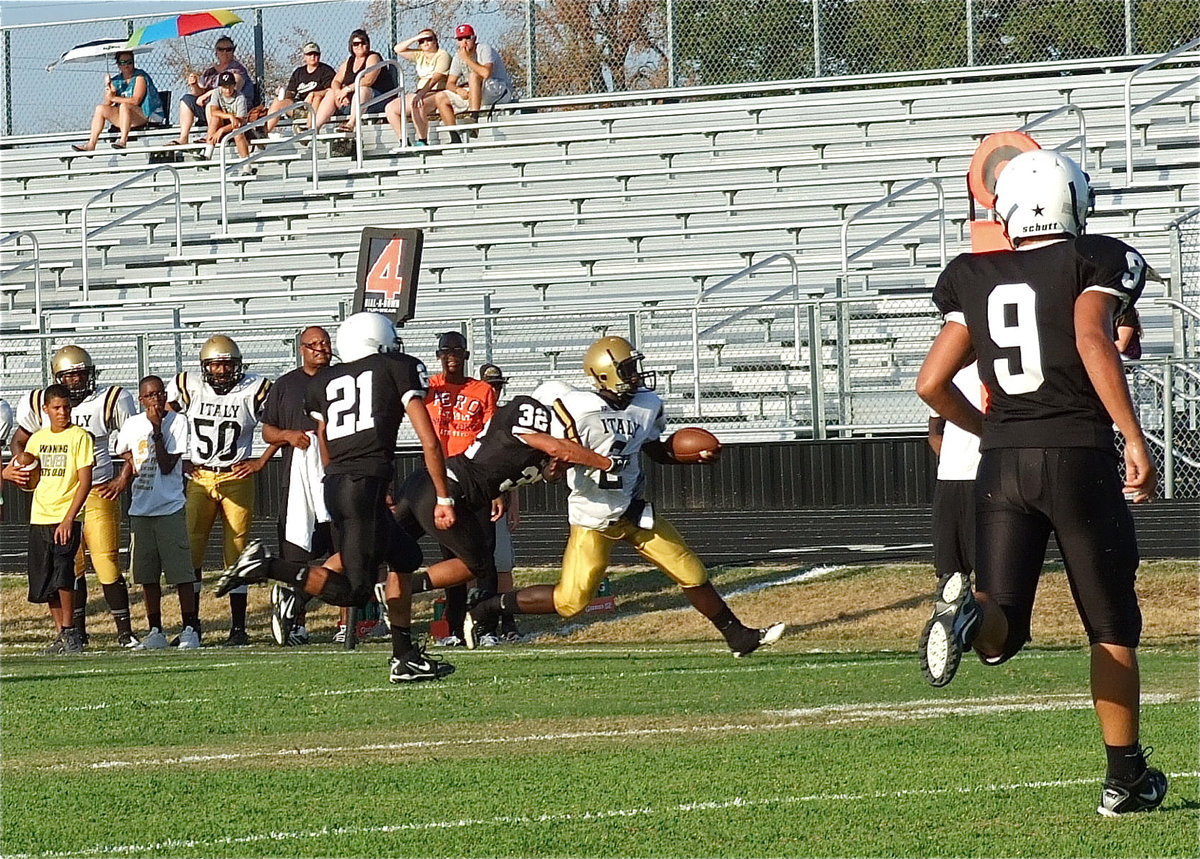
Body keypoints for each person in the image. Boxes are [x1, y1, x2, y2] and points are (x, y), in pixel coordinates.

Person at [915, 149, 1167, 816]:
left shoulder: (973, 273)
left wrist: (986, 428)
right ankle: (1124, 776)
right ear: (1075, 203)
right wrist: (1134, 439)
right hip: (1077, 455)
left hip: (1001, 465)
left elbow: (930, 383)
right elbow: (1090, 338)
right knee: (1111, 623)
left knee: (1002, 630)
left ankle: (968, 615)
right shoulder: (1094, 258)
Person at [464, 337, 786, 656]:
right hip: (592, 518)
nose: (636, 375)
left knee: (691, 571)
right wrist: (551, 471)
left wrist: (689, 455)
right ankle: (488, 607)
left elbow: (655, 449)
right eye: (628, 368)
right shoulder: (576, 408)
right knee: (570, 602)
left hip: (632, 510)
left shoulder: (645, 405)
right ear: (604, 373)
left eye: (634, 367)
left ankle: (737, 636)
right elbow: (548, 463)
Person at [214, 312, 458, 684]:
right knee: (355, 592)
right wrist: (443, 496)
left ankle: (405, 655)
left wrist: (339, 476)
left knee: (406, 556)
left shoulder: (325, 380)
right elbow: (428, 440)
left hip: (340, 482)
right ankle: (267, 566)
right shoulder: (396, 366)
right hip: (363, 483)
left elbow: (324, 437)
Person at [11, 346, 138, 648]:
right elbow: (19, 441)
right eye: (70, 375)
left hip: (96, 490)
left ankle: (124, 633)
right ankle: (73, 633)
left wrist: (123, 478)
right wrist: (22, 469)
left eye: (81, 374)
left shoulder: (108, 400)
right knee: (71, 568)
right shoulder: (40, 408)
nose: (77, 380)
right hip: (54, 498)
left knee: (107, 564)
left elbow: (133, 441)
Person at [166, 334, 274, 646]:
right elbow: (166, 417)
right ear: (205, 367)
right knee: (191, 552)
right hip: (200, 477)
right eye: (215, 365)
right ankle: (191, 626)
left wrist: (260, 462)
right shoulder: (189, 385)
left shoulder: (255, 389)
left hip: (236, 476)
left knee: (236, 552)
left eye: (227, 366)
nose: (222, 372)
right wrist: (181, 460)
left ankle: (238, 628)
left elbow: (277, 425)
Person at [3, 385, 93, 655]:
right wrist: (16, 476)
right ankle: (61, 636)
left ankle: (71, 630)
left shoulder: (79, 437)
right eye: (56, 408)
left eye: (66, 407)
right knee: (46, 581)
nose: (62, 412)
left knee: (64, 574)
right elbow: (25, 476)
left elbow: (85, 481)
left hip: (65, 515)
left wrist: (69, 518)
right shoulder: (37, 440)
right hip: (40, 515)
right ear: (45, 410)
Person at [260, 326, 334, 646]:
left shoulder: (342, 379)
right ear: (301, 349)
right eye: (313, 344)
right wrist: (289, 436)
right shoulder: (286, 385)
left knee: (344, 547)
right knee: (296, 553)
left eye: (325, 343)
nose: (320, 348)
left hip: (337, 473)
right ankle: (297, 624)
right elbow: (267, 431)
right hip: (297, 477)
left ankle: (348, 622)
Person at [115, 376, 200, 650]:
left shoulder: (177, 422)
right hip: (141, 508)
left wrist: (158, 429)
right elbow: (122, 450)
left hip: (169, 506)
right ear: (141, 400)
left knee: (180, 572)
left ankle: (189, 627)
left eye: (159, 394)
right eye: (150, 396)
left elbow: (166, 465)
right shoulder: (132, 424)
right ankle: (155, 630)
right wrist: (132, 462)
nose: (156, 400)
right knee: (147, 575)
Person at [424, 330, 497, 646]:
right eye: (445, 350)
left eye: (457, 349)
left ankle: (486, 626)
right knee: (451, 556)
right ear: (439, 356)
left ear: (467, 355)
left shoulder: (482, 390)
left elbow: (493, 441)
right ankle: (452, 627)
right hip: (443, 481)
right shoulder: (429, 388)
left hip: (477, 478)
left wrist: (498, 490)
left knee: (484, 556)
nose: (451, 354)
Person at [927, 361, 982, 582]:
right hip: (951, 479)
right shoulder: (946, 372)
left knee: (993, 575)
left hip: (988, 476)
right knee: (950, 575)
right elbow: (934, 430)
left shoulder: (993, 365)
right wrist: (951, 457)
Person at [480, 361, 522, 642]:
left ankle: (507, 620)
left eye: (497, 386)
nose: (494, 391)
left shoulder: (505, 418)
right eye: (489, 386)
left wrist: (514, 505)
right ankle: (479, 620)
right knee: (474, 565)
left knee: (502, 565)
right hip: (474, 498)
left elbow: (513, 466)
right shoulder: (472, 417)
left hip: (500, 497)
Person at [431, 24, 514, 143]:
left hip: (498, 91)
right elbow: (450, 83)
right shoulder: (457, 56)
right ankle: (455, 138)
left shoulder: (484, 49)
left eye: (467, 38)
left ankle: (474, 119)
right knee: (440, 97)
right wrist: (458, 90)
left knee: (474, 76)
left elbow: (486, 73)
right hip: (476, 93)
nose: (464, 42)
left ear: (474, 39)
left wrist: (466, 59)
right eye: (460, 39)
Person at [72, 50, 163, 152]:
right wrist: (109, 87)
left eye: (129, 62)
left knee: (124, 106)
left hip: (145, 114)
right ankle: (91, 144)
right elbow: (107, 104)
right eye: (123, 63)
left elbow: (136, 100)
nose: (127, 65)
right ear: (118, 65)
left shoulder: (139, 77)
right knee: (100, 108)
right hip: (125, 117)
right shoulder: (116, 81)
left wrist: (114, 98)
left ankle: (123, 141)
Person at [170, 36, 252, 146]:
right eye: (221, 49)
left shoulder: (238, 70)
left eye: (229, 49)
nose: (225, 52)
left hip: (230, 108)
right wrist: (194, 85)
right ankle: (183, 138)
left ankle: (210, 135)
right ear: (216, 52)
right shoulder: (210, 72)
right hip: (210, 108)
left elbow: (231, 89)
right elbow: (199, 93)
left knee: (211, 103)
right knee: (186, 100)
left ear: (233, 51)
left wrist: (206, 95)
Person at [312, 29, 397, 134]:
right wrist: (339, 92)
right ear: (351, 46)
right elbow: (336, 81)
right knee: (330, 93)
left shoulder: (373, 57)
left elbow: (368, 80)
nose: (359, 46)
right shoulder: (349, 61)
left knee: (362, 90)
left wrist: (347, 89)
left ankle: (350, 124)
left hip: (376, 100)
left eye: (363, 42)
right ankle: (315, 128)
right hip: (352, 101)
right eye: (356, 44)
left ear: (368, 44)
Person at [386, 28, 450, 148]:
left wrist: (420, 94)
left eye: (429, 39)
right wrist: (415, 38)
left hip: (436, 92)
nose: (425, 43)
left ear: (435, 41)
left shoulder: (442, 55)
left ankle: (423, 140)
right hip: (420, 92)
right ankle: (403, 140)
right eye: (422, 41)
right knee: (390, 108)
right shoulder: (419, 54)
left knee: (417, 104)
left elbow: (435, 78)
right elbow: (397, 49)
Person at [264, 42, 335, 136]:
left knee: (316, 98)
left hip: (318, 108)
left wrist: (313, 94)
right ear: (304, 56)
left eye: (315, 54)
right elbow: (291, 94)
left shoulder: (326, 71)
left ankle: (310, 129)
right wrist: (282, 93)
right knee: (278, 101)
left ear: (319, 55)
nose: (312, 57)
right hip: (301, 106)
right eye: (309, 54)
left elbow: (331, 91)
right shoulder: (299, 72)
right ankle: (265, 132)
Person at [202, 71, 251, 166]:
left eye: (230, 86)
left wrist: (221, 130)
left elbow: (240, 121)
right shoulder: (217, 93)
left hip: (237, 126)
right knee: (215, 119)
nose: (228, 90)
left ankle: (247, 165)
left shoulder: (240, 97)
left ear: (234, 85)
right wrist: (229, 116)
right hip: (224, 123)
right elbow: (213, 111)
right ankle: (207, 154)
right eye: (225, 87)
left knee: (238, 133)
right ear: (220, 87)